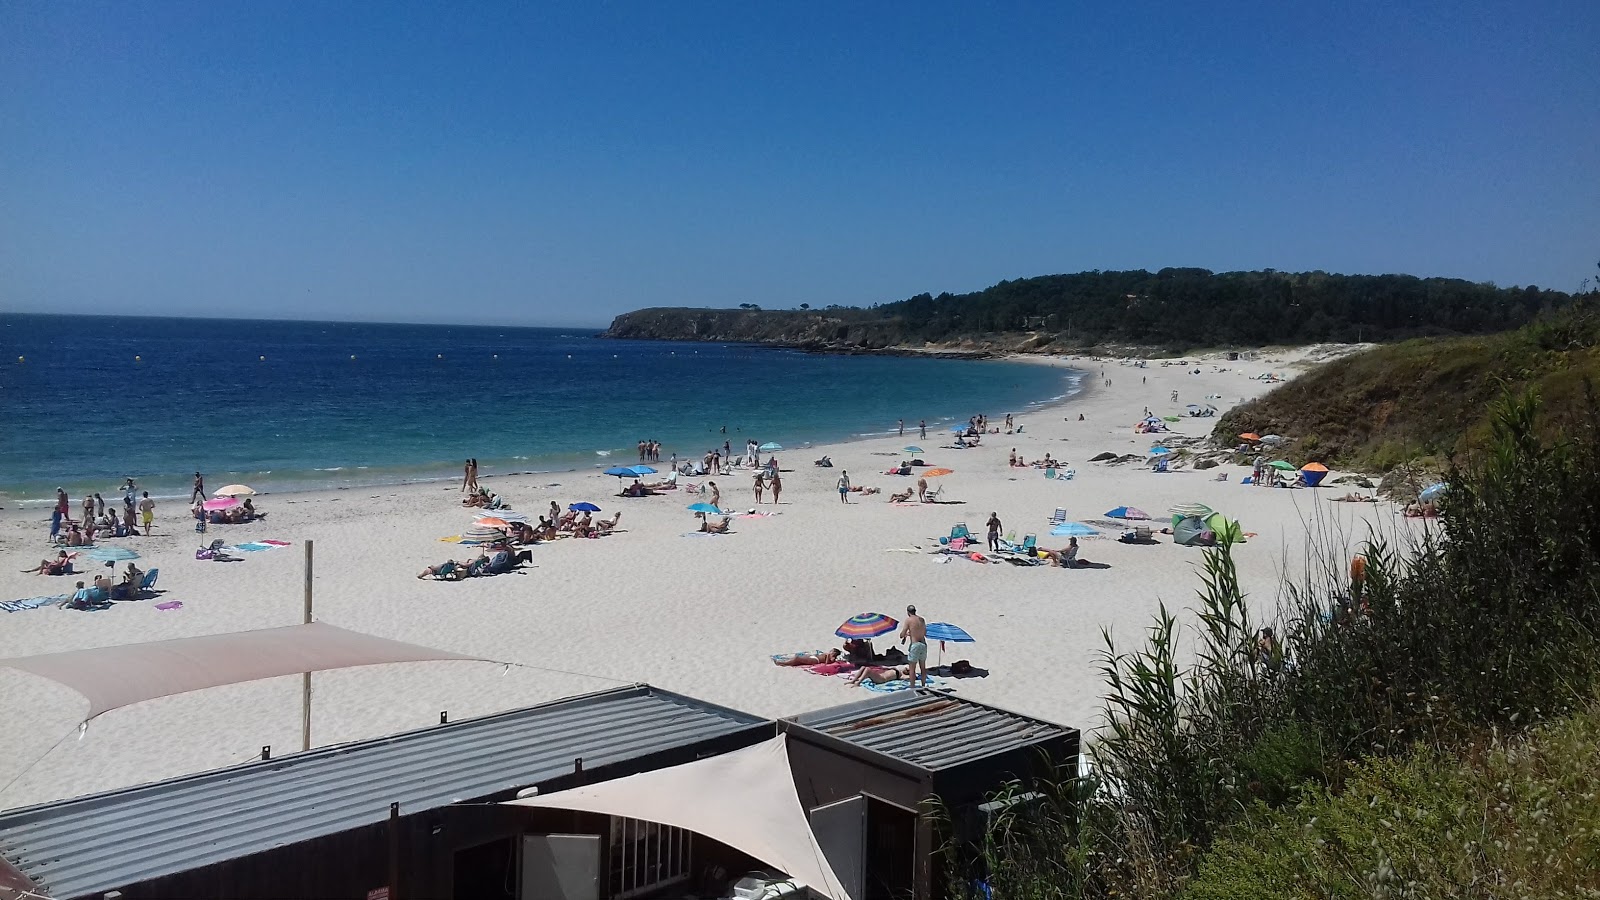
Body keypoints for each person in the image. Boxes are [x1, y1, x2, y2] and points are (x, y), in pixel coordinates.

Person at [899, 605, 928, 687]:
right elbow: (925, 633)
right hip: (923, 644)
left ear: (908, 612)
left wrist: (904, 635)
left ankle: (912, 687)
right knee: (923, 667)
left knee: (912, 669)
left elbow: (902, 634)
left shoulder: (909, 620)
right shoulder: (922, 620)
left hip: (915, 645)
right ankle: (923, 685)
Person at [848, 664, 914, 686]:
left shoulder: (901, 675)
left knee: (867, 669)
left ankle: (858, 683)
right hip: (879, 675)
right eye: (907, 668)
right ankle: (853, 680)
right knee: (863, 667)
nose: (906, 669)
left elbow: (910, 678)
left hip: (881, 679)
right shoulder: (898, 669)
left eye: (908, 670)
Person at [773, 649, 842, 667]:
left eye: (832, 651)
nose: (830, 651)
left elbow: (828, 663)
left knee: (797, 658)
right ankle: (785, 662)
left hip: (815, 660)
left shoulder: (832, 657)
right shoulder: (829, 654)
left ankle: (782, 663)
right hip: (814, 656)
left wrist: (827, 656)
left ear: (834, 653)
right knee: (797, 658)